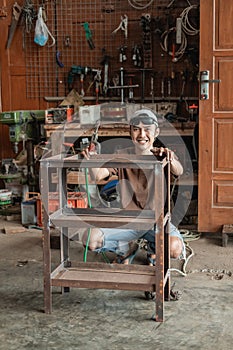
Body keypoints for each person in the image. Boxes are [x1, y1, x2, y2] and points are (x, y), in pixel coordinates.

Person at [81, 108, 185, 265]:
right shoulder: (123, 156)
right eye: (136, 130)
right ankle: (126, 248)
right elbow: (98, 175)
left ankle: (153, 249)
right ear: (130, 133)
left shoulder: (163, 154)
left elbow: (179, 171)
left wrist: (170, 158)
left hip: (155, 221)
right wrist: (91, 159)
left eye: (147, 130)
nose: (142, 135)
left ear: (156, 132)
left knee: (174, 248)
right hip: (127, 220)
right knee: (91, 240)